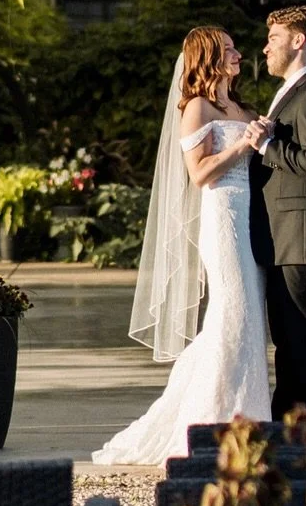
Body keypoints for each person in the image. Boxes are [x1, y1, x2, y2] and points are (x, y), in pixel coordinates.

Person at [91, 25, 271, 464]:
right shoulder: (197, 107)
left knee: (248, 316)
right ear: (207, 57)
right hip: (223, 217)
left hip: (251, 219)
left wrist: (260, 134)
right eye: (229, 49)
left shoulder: (239, 106)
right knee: (233, 313)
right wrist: (243, 145)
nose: (239, 55)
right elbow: (199, 172)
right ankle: (207, 424)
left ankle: (244, 420)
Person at [245, 5, 306, 419]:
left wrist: (267, 147)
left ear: (298, 41)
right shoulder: (291, 91)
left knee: (305, 341)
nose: (266, 47)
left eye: (274, 38)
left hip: (300, 239)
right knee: (290, 342)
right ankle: (292, 429)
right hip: (284, 238)